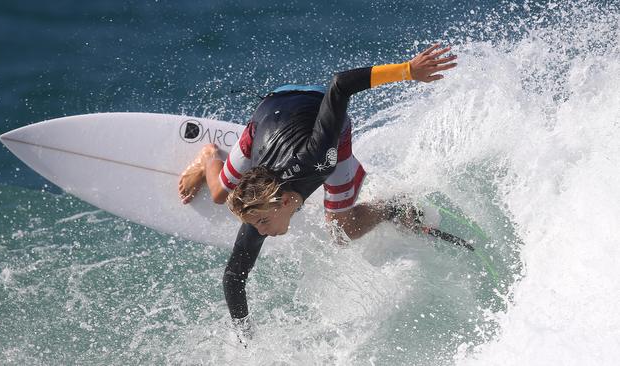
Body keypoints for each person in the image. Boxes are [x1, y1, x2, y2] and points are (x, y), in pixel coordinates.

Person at [177, 44, 457, 337]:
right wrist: (247, 339)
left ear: (285, 201)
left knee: (342, 230)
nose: (258, 230)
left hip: (317, 107)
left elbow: (339, 85)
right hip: (267, 113)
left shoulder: (317, 156)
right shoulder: (261, 211)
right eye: (255, 224)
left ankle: (392, 209)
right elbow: (234, 276)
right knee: (221, 193)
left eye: (260, 222)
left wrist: (408, 71)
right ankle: (209, 156)